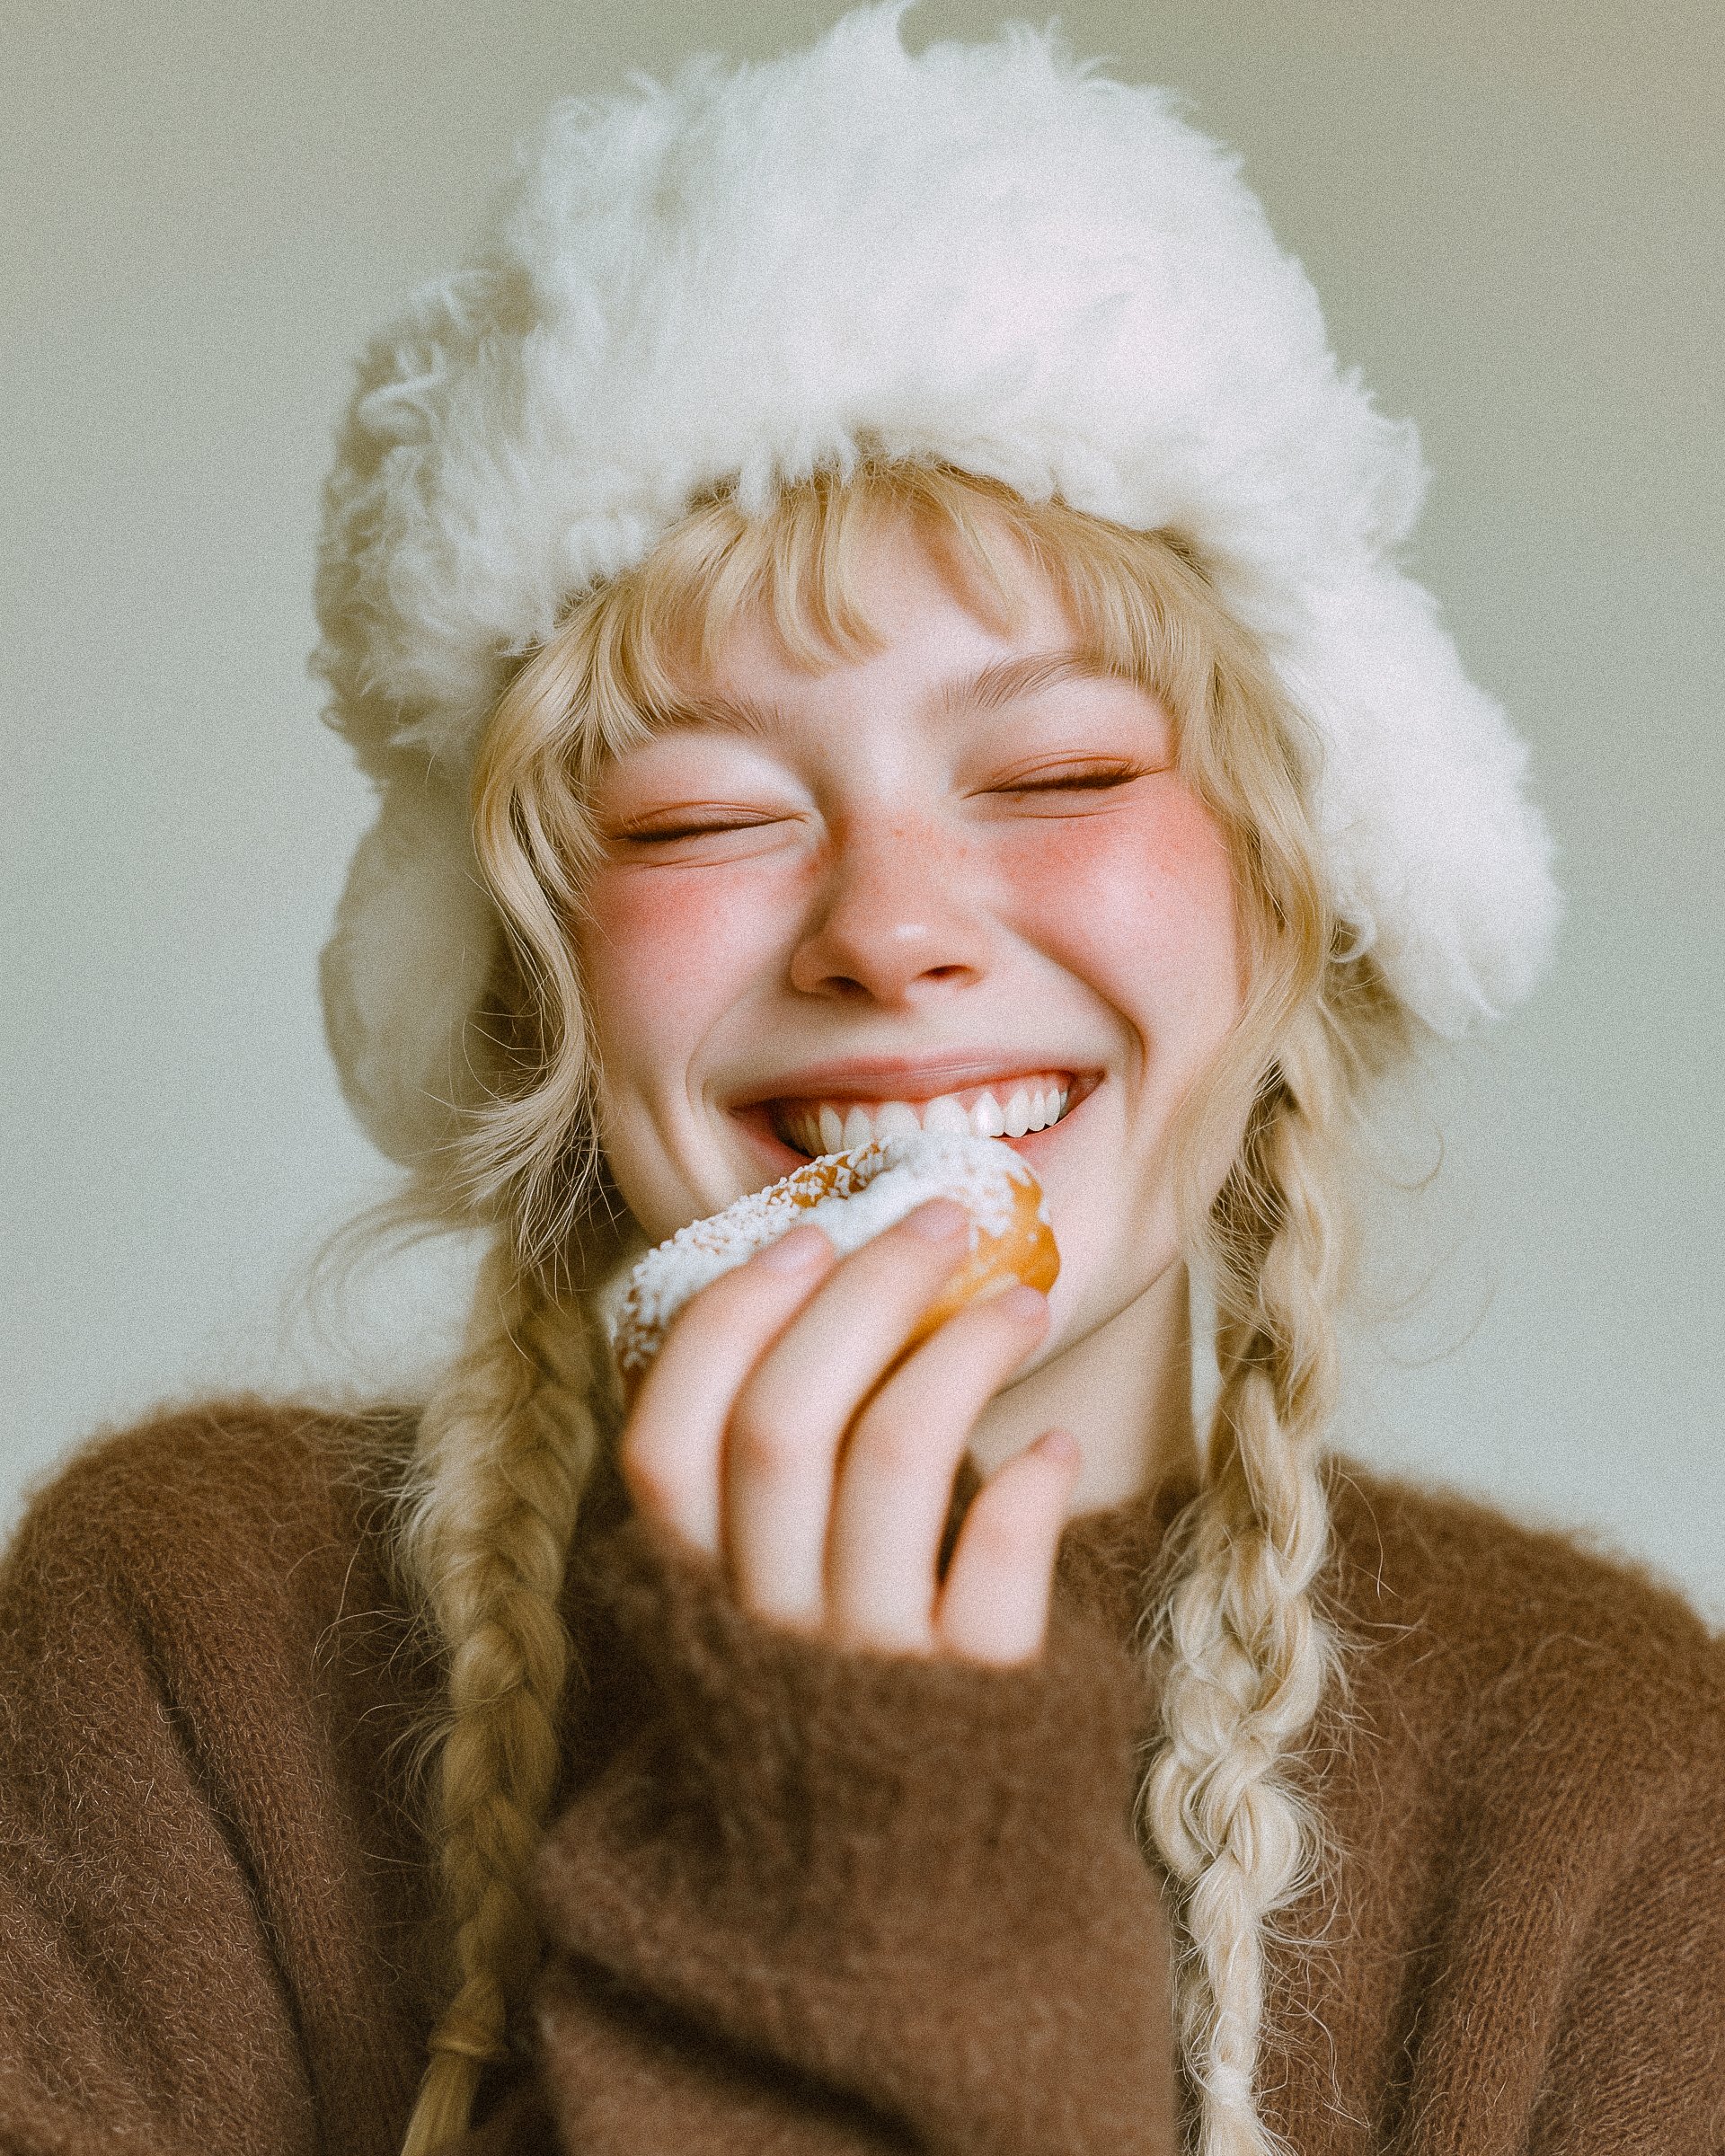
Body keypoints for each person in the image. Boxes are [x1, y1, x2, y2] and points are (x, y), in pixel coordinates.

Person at [3, 10, 1721, 2156]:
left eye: (1062, 772)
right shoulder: (179, 1654)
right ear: (547, 992)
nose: (890, 926)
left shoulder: (1602, 1787)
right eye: (706, 817)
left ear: (1288, 908)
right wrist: (801, 1847)